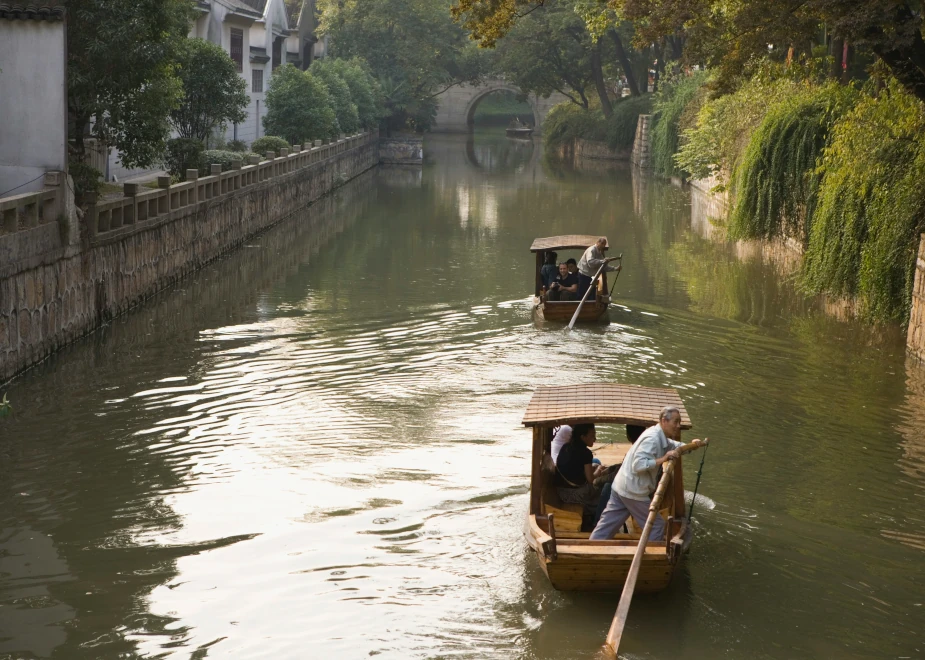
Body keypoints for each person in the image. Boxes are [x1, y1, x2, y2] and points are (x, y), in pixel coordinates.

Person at [590, 407, 704, 541]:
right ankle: (651, 559)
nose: (678, 426)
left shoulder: (658, 434)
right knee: (656, 526)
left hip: (621, 487)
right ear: (664, 421)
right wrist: (663, 458)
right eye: (676, 422)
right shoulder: (652, 438)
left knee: (605, 528)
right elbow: (638, 465)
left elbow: (673, 445)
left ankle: (588, 551)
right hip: (633, 492)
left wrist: (691, 446)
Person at [555, 423, 605, 530]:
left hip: (560, 491)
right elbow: (591, 480)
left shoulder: (566, 446)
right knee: (606, 487)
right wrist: (599, 471)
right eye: (592, 435)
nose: (595, 438)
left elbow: (575, 468)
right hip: (573, 495)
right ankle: (597, 522)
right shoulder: (586, 453)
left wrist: (594, 468)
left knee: (595, 463)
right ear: (582, 437)